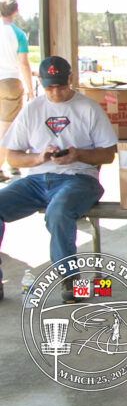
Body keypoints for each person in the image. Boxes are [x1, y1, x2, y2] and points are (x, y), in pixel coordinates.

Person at [0, 56, 117, 302]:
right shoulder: (32, 109)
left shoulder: (88, 108)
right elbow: (12, 156)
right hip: (36, 180)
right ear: (40, 82)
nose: (55, 92)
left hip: (79, 178)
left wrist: (78, 154)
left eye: (61, 86)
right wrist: (38, 157)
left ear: (71, 79)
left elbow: (108, 154)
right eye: (49, 87)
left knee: (59, 211)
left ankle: (70, 280)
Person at [0, 0, 35, 181]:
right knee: (7, 128)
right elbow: (23, 63)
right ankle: (10, 164)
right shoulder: (18, 34)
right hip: (10, 81)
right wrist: (30, 88)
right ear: (16, 11)